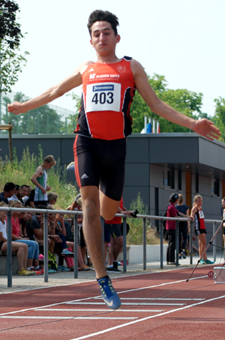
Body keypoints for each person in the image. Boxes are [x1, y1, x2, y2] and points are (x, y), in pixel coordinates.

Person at [7, 10, 220, 309]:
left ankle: (106, 220)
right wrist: (24, 106)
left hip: (116, 148)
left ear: (116, 37)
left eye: (106, 32)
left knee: (108, 213)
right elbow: (55, 90)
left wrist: (191, 123)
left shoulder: (131, 67)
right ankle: (102, 278)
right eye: (96, 33)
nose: (101, 37)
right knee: (90, 209)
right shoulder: (85, 69)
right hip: (87, 143)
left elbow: (157, 105)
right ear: (90, 39)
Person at [8, 200, 43, 274]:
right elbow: (9, 234)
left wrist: (21, 237)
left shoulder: (17, 219)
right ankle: (29, 267)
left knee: (35, 243)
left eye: (20, 207)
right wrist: (21, 238)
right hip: (13, 240)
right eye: (17, 207)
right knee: (32, 244)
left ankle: (36, 266)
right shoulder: (10, 218)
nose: (19, 209)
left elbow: (18, 233)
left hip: (17, 239)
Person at [0, 202, 34, 276]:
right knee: (21, 246)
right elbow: (1, 237)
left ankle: (24, 268)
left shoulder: (4, 221)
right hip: (2, 243)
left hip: (5, 242)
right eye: (4, 210)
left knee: (25, 245)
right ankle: (21, 269)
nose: (6, 211)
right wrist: (9, 241)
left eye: (7, 209)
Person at [105, 197, 133, 273]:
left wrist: (127, 211)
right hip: (112, 221)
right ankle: (113, 262)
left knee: (113, 243)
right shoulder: (113, 191)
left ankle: (112, 265)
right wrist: (122, 212)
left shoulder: (119, 193)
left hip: (117, 221)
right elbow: (113, 204)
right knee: (120, 242)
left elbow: (120, 205)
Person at [191, 195, 214, 264]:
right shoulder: (194, 208)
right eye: (199, 201)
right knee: (204, 243)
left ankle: (201, 258)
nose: (200, 203)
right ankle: (205, 258)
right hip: (198, 228)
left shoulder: (200, 208)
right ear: (195, 202)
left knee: (201, 244)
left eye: (201, 201)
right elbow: (192, 216)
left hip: (203, 227)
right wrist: (191, 217)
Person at [175, 194, 190, 259]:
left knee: (178, 238)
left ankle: (179, 253)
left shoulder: (175, 207)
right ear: (183, 199)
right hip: (184, 224)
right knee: (185, 237)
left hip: (178, 224)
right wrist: (188, 227)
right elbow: (187, 217)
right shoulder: (186, 207)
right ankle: (183, 250)